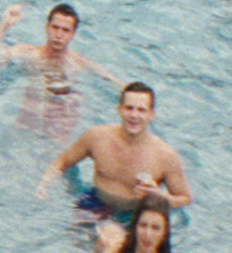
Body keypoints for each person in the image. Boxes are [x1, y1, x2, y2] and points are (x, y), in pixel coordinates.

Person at [44, 81, 193, 221]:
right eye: (129, 108)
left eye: (141, 110)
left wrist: (159, 196)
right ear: (119, 110)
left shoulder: (166, 156)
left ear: (151, 115)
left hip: (135, 215)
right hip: (95, 203)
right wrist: (44, 186)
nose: (134, 115)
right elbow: (62, 161)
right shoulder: (97, 137)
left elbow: (185, 198)